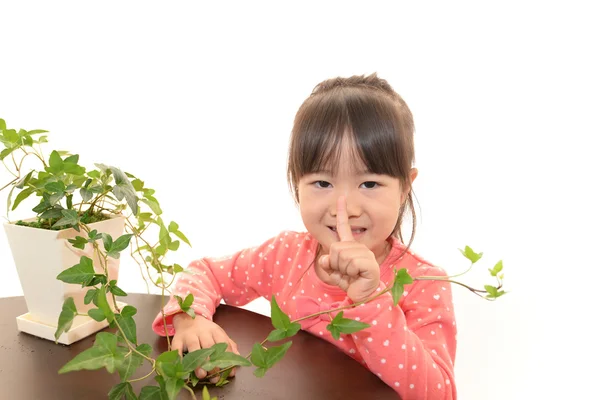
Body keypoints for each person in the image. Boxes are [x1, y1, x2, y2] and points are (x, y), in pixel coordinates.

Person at [152, 73, 458, 399]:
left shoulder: (424, 283)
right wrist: (191, 318)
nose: (346, 208)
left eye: (369, 183)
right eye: (323, 183)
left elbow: (438, 393)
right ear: (297, 184)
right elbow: (206, 271)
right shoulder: (287, 254)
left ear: (404, 187)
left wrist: (372, 301)